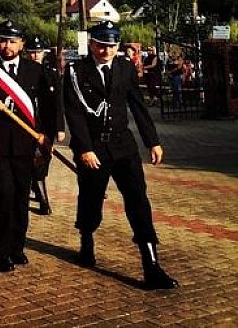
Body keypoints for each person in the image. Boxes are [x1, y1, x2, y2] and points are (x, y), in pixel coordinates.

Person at [63, 21, 178, 290]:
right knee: (91, 199)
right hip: (94, 148)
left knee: (138, 201)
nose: (106, 51)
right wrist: (84, 148)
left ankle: (151, 266)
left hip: (123, 146)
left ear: (117, 45)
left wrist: (153, 141)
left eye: (112, 45)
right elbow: (74, 113)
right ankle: (86, 239)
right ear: (91, 44)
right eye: (101, 45)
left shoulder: (125, 67)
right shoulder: (76, 71)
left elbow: (137, 106)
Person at [0, 21, 54, 272]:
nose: (6, 46)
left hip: (25, 145)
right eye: (2, 41)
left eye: (12, 41)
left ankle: (18, 246)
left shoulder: (35, 70)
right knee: (4, 194)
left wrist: (48, 135)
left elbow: (50, 105)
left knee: (21, 196)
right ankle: (3, 250)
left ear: (22, 43)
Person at [25, 36, 66, 216]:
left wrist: (60, 127)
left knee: (43, 160)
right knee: (34, 160)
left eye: (38, 52)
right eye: (31, 52)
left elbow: (58, 102)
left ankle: (36, 183)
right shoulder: (22, 71)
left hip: (46, 125)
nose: (35, 56)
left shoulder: (51, 73)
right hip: (27, 125)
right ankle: (43, 201)